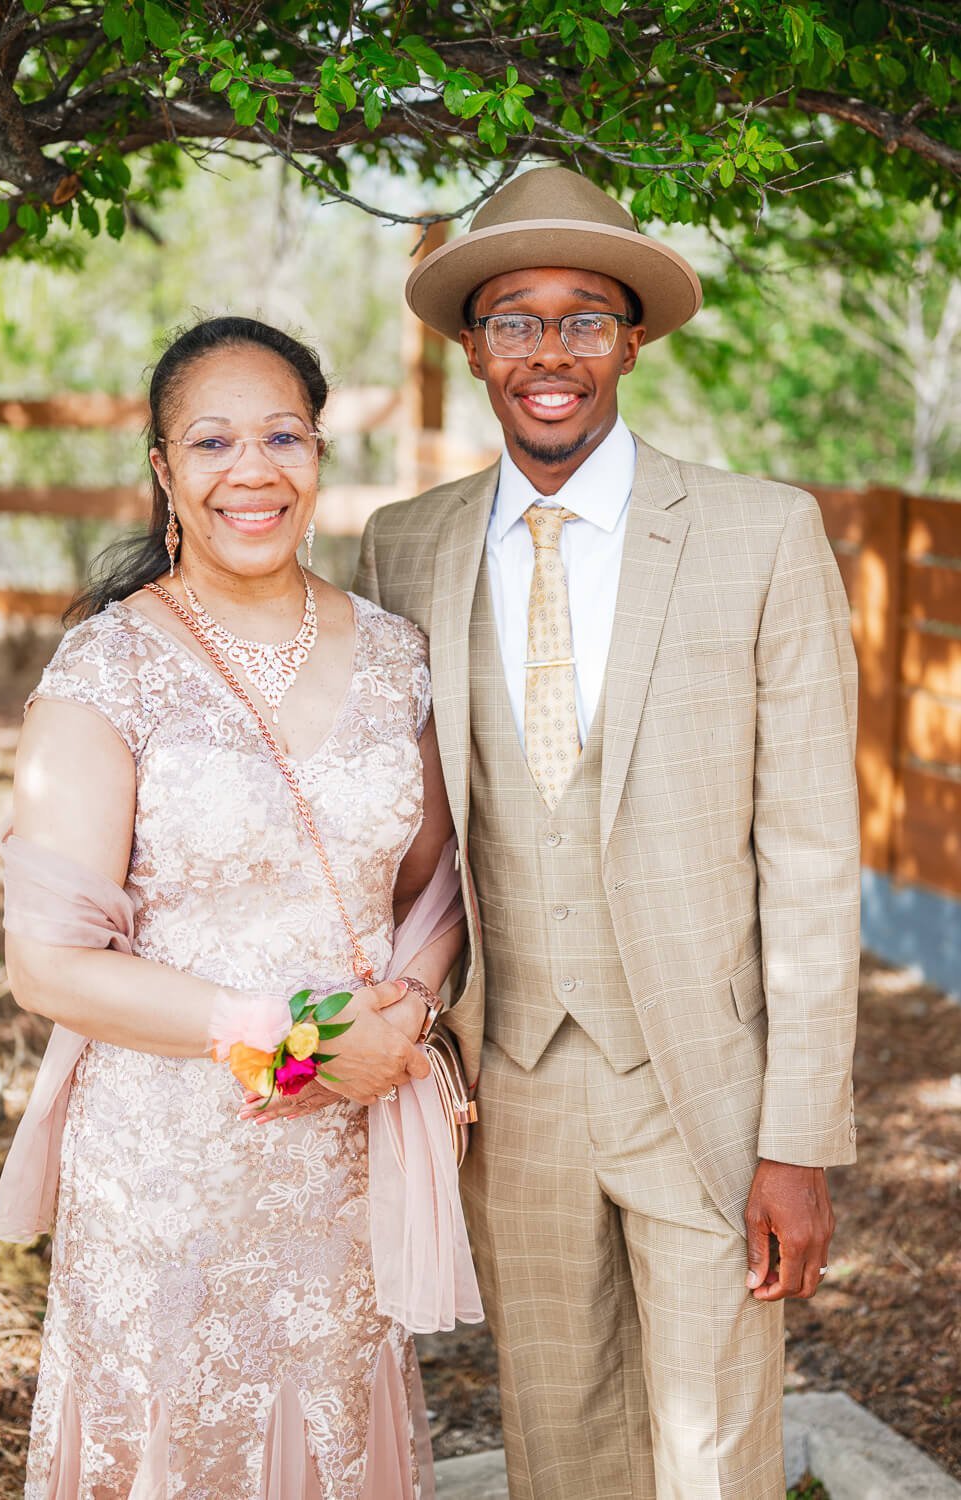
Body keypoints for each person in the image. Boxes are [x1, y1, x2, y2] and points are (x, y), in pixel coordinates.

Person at [354, 166, 860, 1499]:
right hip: (506, 1079)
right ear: (474, 346)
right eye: (515, 319)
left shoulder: (760, 535)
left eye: (586, 318)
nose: (551, 352)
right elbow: (393, 826)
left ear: (632, 338)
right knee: (557, 1444)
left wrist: (798, 1137)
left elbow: (809, 856)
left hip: (705, 1084)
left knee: (714, 1451)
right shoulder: (402, 549)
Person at [0, 316, 471, 1498]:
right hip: (171, 1160)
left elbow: (439, 889)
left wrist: (405, 1011)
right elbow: (48, 965)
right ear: (162, 469)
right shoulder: (109, 670)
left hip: (339, 1165)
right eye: (210, 442)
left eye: (281, 436)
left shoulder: (399, 657)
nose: (248, 470)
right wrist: (298, 1037)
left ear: (317, 455)